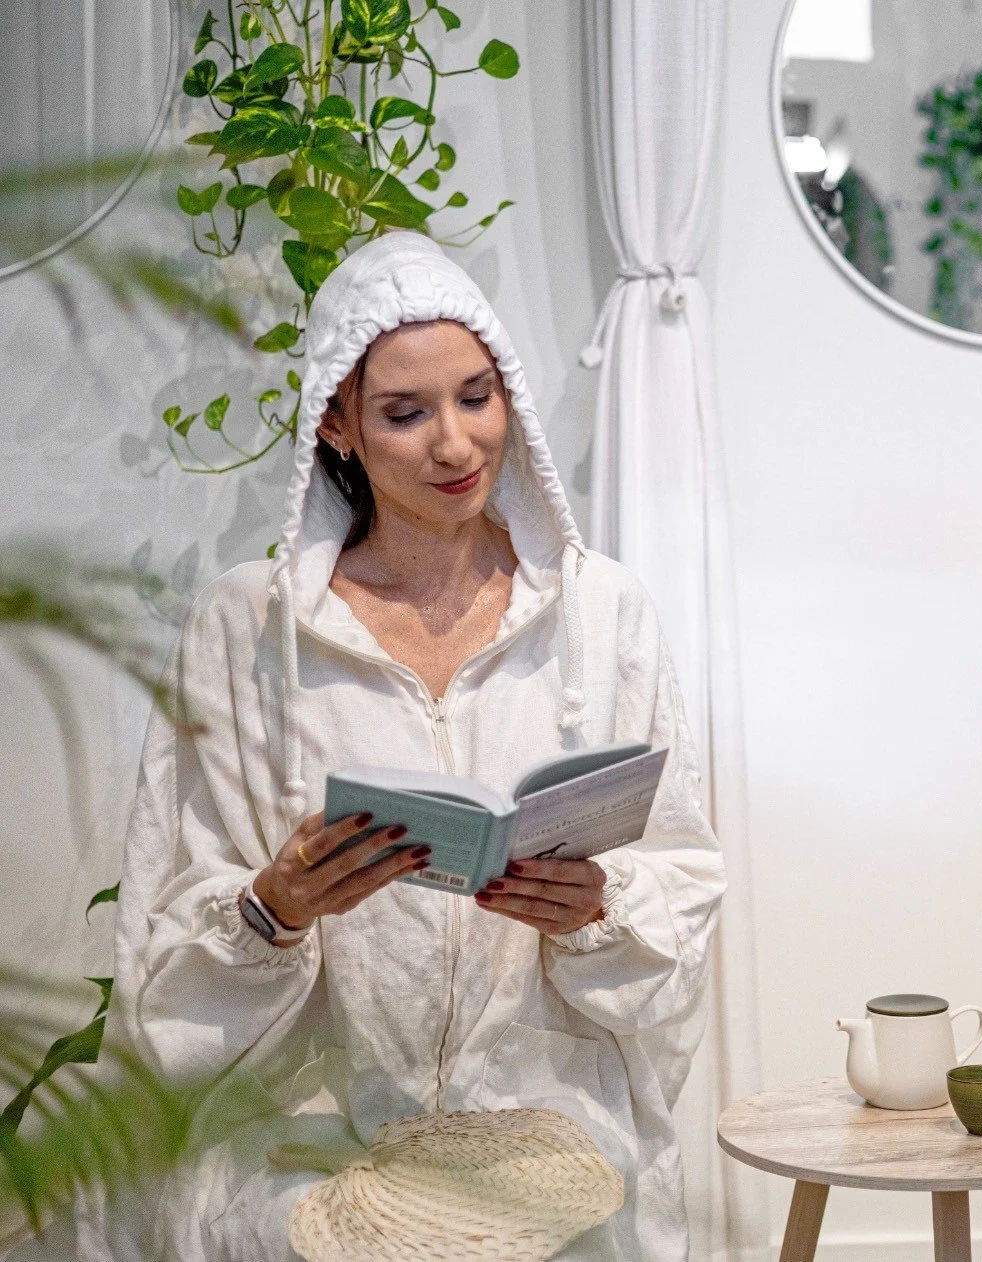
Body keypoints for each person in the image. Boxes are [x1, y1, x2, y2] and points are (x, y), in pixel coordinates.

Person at [84, 232, 726, 1261]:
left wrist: (597, 908)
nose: (456, 444)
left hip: (547, 1115)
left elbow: (684, 875)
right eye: (405, 411)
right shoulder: (250, 629)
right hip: (308, 1121)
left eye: (476, 397)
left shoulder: (601, 613)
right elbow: (166, 927)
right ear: (336, 422)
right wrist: (274, 906)